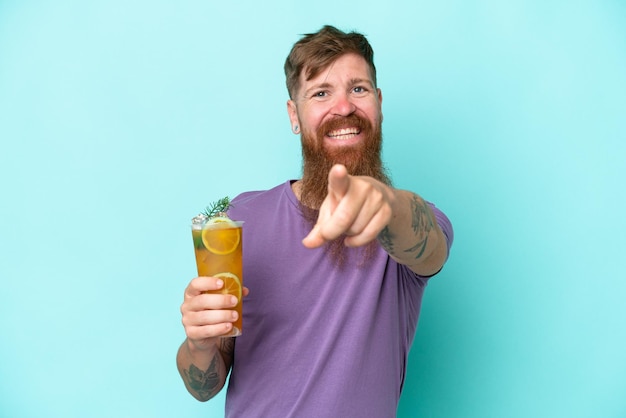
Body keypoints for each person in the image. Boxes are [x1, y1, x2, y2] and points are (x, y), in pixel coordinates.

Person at [176, 25, 454, 418]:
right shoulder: (239, 221)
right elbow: (205, 386)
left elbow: (429, 250)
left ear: (378, 103)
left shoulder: (406, 221)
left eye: (358, 89)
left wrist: (385, 204)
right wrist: (199, 345)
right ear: (294, 115)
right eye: (321, 93)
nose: (343, 107)